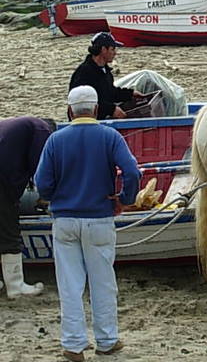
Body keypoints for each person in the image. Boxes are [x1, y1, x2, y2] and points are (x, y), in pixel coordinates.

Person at [35, 85, 140, 362]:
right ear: (94, 109)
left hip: (66, 220)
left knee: (70, 285)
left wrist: (56, 195)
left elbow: (42, 184)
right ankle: (106, 341)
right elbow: (131, 171)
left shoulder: (56, 140)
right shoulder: (110, 136)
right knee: (103, 282)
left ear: (70, 111)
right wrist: (124, 199)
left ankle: (73, 344)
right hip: (99, 218)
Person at [0, 116, 55, 299]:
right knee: (9, 229)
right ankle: (15, 287)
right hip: (2, 180)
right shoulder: (42, 130)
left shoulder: (15, 126)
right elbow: (41, 168)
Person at [69, 32, 143, 120]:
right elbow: (83, 102)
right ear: (103, 49)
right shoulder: (84, 73)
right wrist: (111, 110)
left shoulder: (105, 71)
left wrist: (130, 94)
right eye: (113, 49)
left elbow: (110, 93)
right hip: (87, 121)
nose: (115, 53)